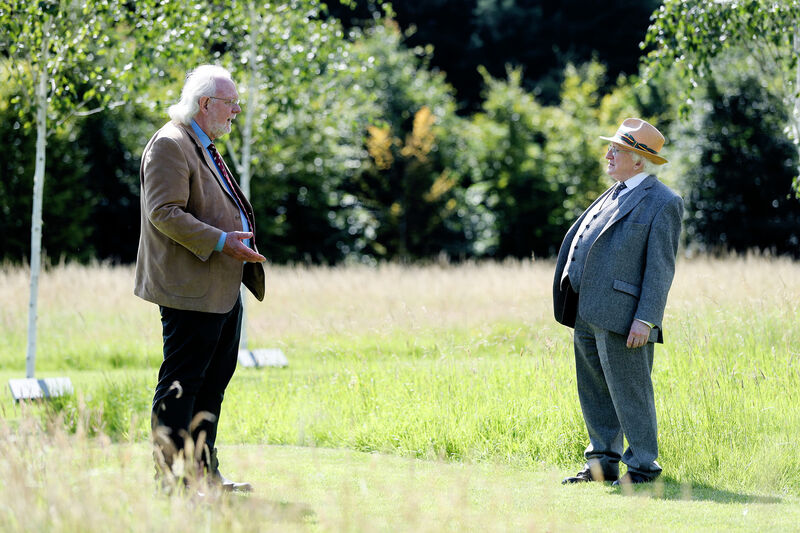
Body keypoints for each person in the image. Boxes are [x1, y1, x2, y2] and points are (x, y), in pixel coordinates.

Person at [134, 64, 266, 493]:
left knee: (212, 384)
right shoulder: (171, 144)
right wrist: (223, 240)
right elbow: (164, 213)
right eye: (231, 103)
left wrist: (230, 244)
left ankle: (204, 476)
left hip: (221, 289)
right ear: (206, 104)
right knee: (181, 386)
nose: (236, 111)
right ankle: (171, 482)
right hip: (189, 290)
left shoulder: (204, 142)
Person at [553, 118, 683, 486]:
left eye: (618, 150)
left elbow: (661, 269)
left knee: (631, 394)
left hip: (626, 318)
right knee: (594, 392)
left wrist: (647, 319)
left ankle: (643, 469)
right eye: (611, 148)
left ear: (639, 161)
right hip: (585, 312)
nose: (608, 154)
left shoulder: (665, 202)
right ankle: (601, 464)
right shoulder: (614, 192)